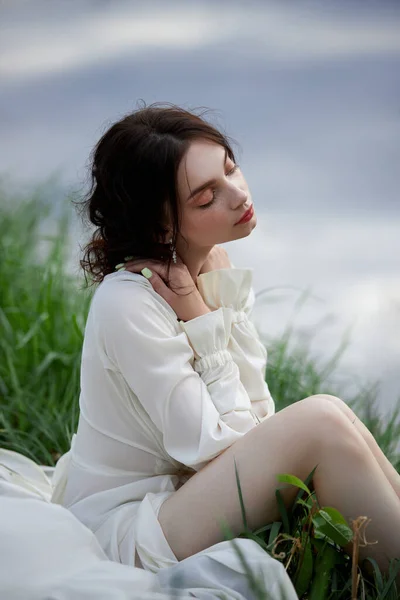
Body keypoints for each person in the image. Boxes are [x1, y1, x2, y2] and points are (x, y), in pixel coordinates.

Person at [52, 102, 400, 586]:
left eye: (231, 168)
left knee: (332, 415)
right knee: (321, 419)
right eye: (207, 197)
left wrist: (209, 311)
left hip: (184, 499)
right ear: (161, 226)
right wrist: (203, 324)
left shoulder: (211, 267)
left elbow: (259, 418)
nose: (238, 196)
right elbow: (225, 452)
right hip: (131, 529)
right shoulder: (129, 305)